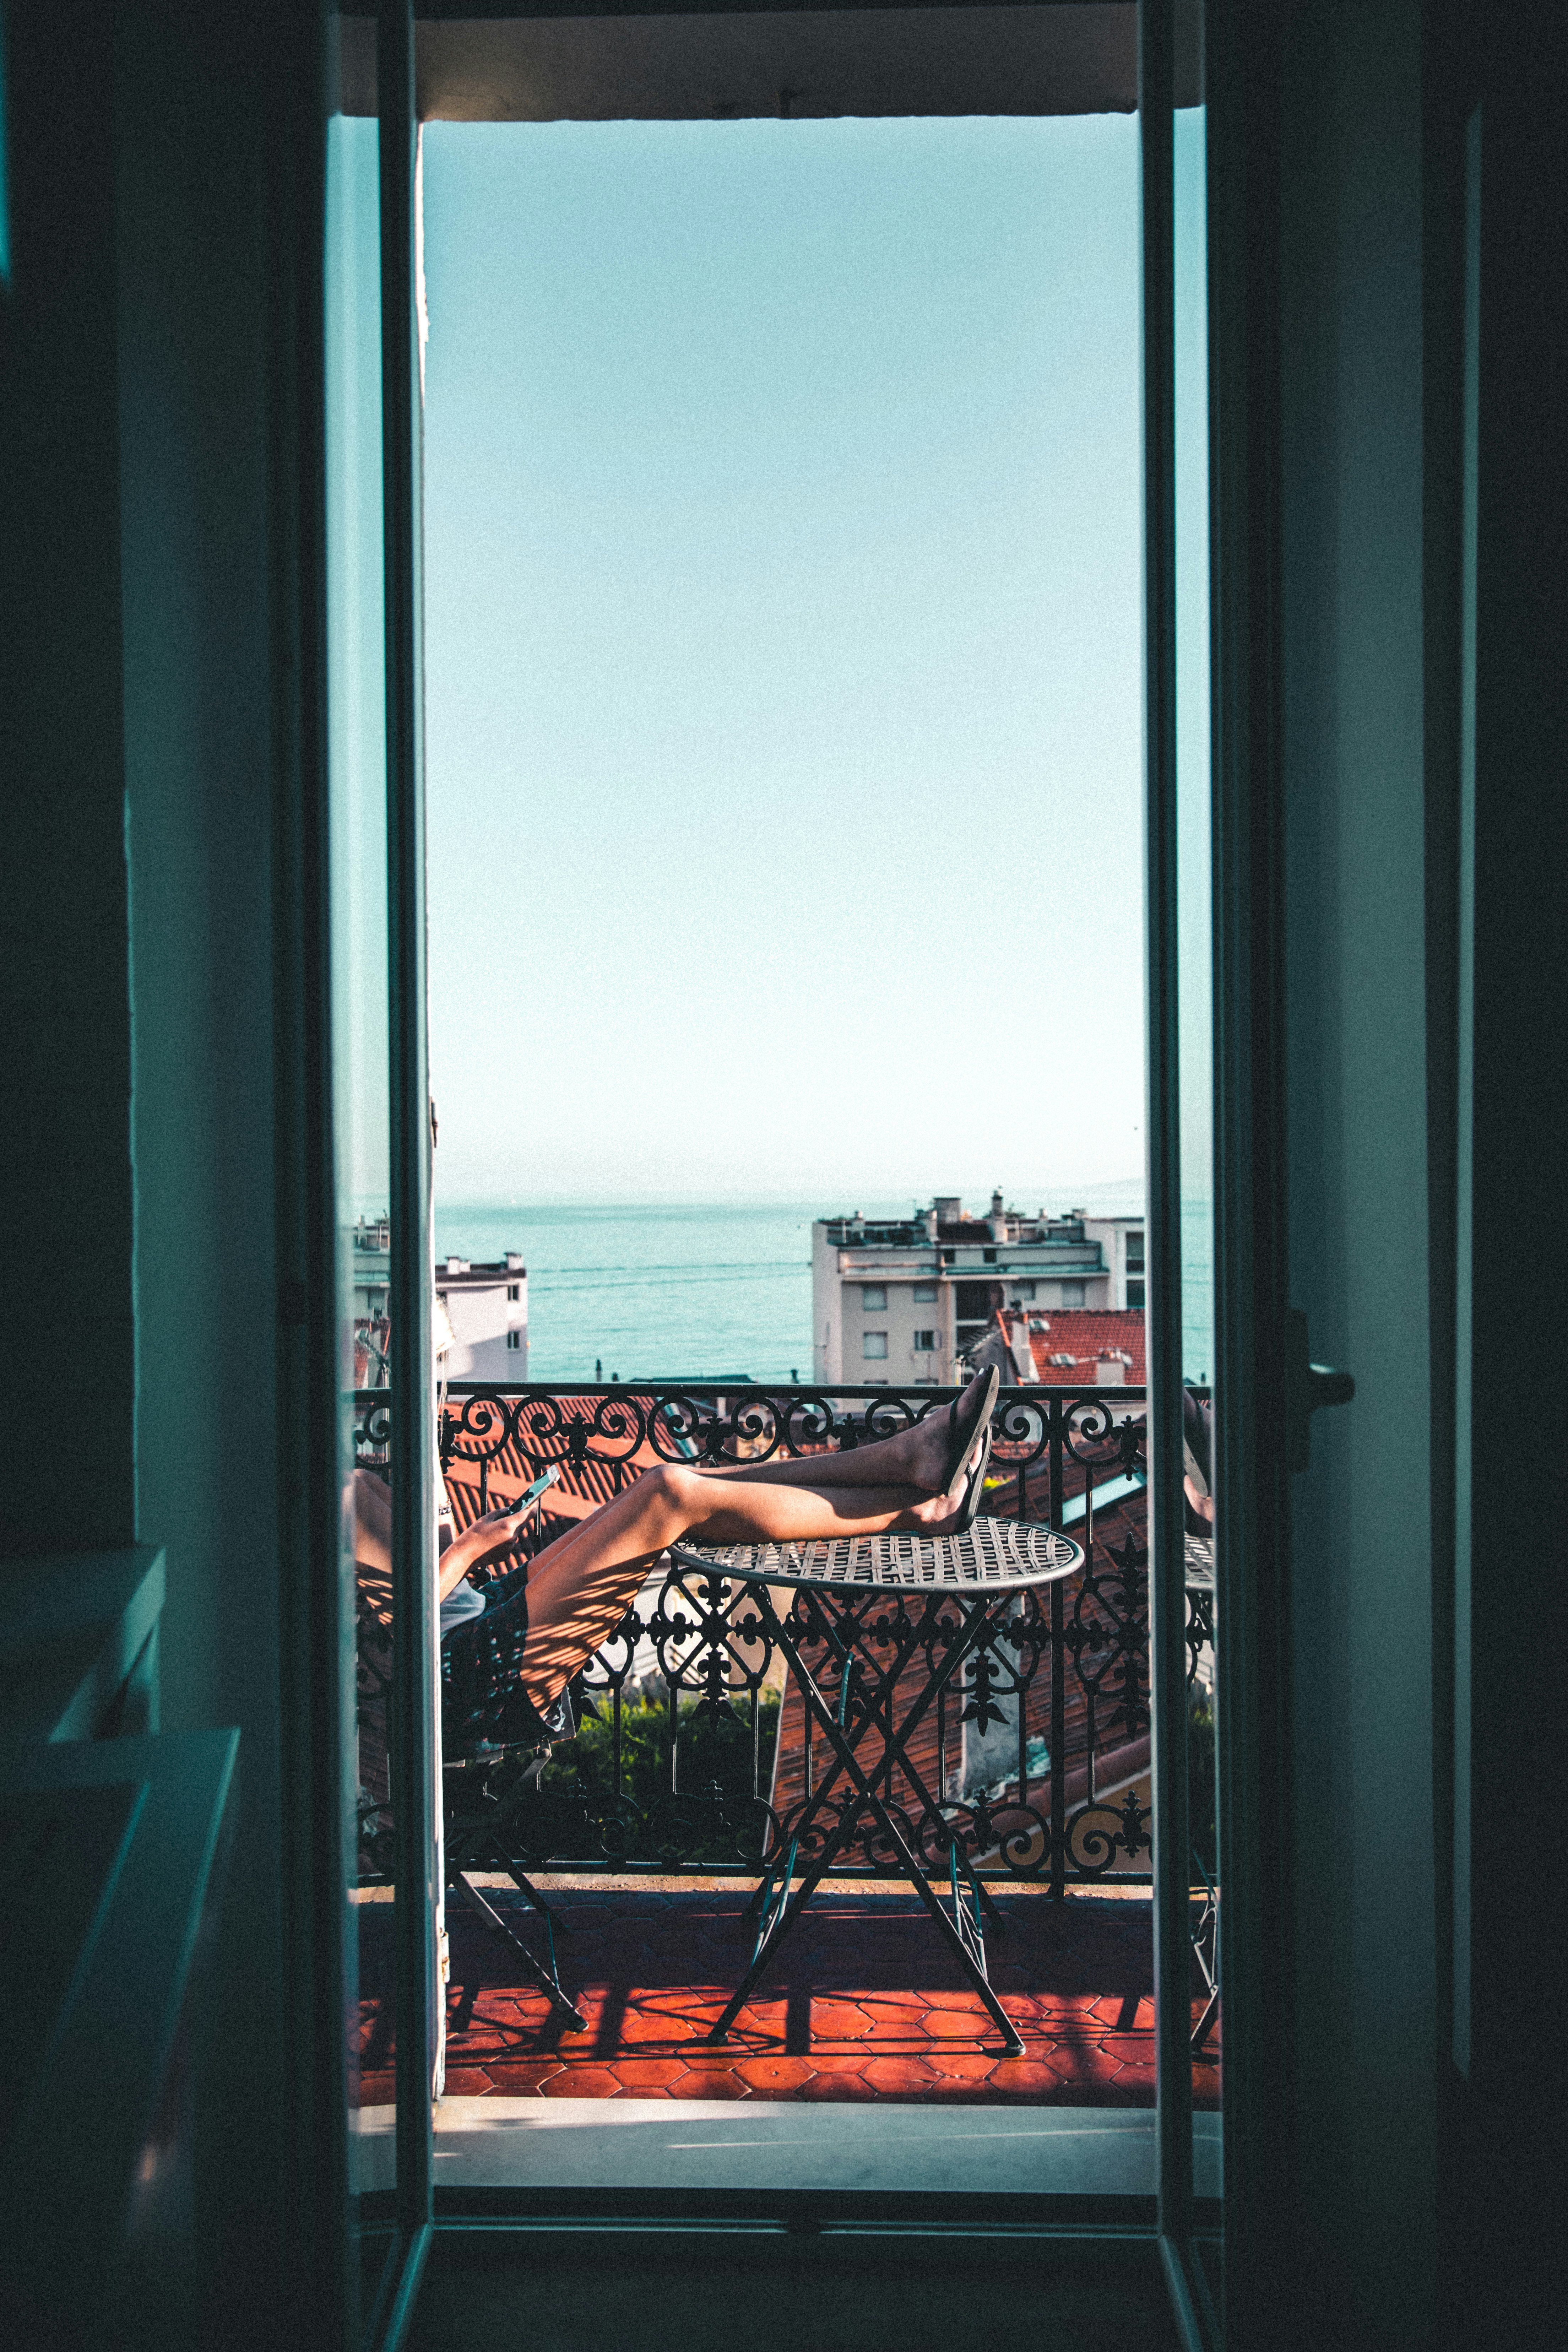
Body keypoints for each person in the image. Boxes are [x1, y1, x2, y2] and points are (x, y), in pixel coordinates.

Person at [351, 1365, 1001, 1720]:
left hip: (479, 1614)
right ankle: (917, 1502)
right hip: (471, 1676)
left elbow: (417, 1566)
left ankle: (910, 1463)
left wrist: (429, 1457)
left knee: (668, 1489)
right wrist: (469, 1547)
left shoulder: (346, 1481)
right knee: (668, 1493)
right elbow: (398, 1629)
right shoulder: (326, 1498)